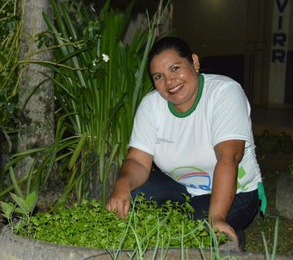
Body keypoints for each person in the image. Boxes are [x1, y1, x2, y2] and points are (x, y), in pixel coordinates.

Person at [106, 36, 265, 251]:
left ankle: (227, 231)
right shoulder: (152, 105)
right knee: (134, 197)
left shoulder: (224, 92)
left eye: (175, 68)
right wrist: (122, 184)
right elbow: (138, 161)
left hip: (237, 192)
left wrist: (216, 217)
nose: (169, 82)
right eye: (159, 76)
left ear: (195, 62)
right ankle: (188, 223)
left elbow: (229, 158)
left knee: (192, 227)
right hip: (181, 189)